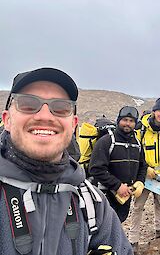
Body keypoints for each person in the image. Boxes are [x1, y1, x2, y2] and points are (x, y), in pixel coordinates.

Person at [0, 67, 133, 255]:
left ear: (73, 124)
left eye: (60, 108)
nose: (45, 116)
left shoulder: (93, 204)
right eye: (28, 104)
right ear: (7, 120)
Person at [129, 97, 160, 254]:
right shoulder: (141, 129)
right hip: (144, 175)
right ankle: (133, 240)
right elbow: (135, 150)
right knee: (138, 206)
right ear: (154, 111)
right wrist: (144, 168)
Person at [89, 106, 147, 222]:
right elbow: (95, 169)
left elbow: (142, 166)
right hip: (105, 194)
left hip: (125, 195)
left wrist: (140, 181)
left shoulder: (137, 144)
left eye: (131, 121)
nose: (128, 124)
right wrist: (117, 186)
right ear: (118, 120)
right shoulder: (106, 141)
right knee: (103, 223)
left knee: (119, 220)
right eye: (125, 120)